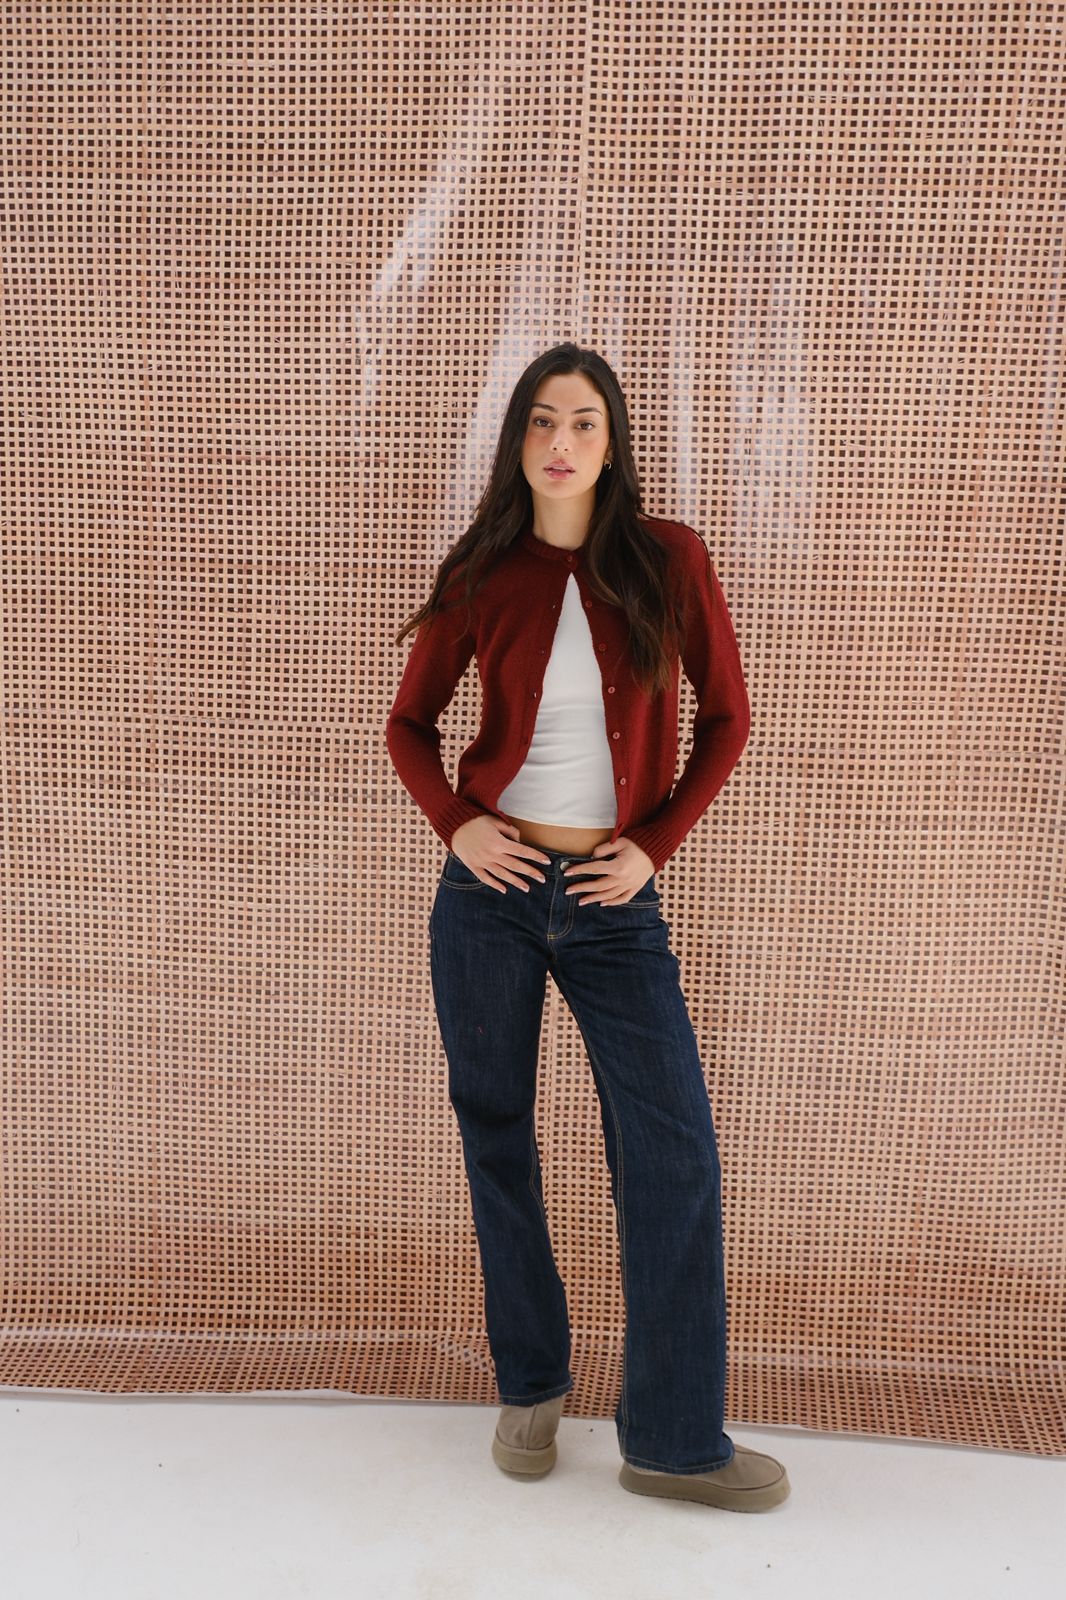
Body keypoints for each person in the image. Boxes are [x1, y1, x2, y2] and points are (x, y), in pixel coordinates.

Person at [385, 342, 790, 1512]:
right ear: (517, 441)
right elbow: (409, 725)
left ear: (612, 445)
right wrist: (458, 825)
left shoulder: (669, 559)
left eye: (583, 423)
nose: (560, 442)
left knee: (672, 1152)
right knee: (496, 1136)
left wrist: (652, 846)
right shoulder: (481, 570)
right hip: (488, 902)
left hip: (615, 908)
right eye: (540, 421)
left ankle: (671, 1439)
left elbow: (728, 717)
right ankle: (531, 1383)